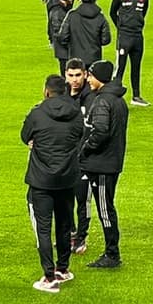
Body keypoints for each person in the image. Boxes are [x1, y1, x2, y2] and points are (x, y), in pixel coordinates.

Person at [22, 74, 86, 293]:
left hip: (41, 180)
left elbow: (25, 136)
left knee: (43, 227)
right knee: (64, 225)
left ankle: (49, 277)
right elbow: (81, 136)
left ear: (46, 90)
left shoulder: (37, 114)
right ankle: (63, 269)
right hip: (67, 178)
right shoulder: (76, 113)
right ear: (66, 90)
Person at [80, 59, 128, 268]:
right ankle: (111, 252)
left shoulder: (102, 101)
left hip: (102, 165)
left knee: (105, 208)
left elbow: (99, 132)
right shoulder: (117, 100)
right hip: (111, 161)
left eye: (90, 75)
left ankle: (112, 254)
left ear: (98, 77)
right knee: (106, 205)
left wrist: (85, 149)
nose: (88, 79)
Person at [109, 0, 150, 107]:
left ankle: (136, 96)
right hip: (124, 36)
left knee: (136, 67)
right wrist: (120, 26)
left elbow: (143, 13)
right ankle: (114, 95)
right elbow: (112, 12)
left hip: (138, 36)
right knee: (120, 67)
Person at [64, 58, 92, 255]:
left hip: (85, 159)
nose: (74, 80)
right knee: (65, 198)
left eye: (78, 75)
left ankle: (81, 236)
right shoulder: (61, 96)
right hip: (65, 158)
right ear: (66, 75)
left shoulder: (91, 98)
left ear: (85, 74)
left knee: (83, 199)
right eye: (71, 75)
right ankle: (70, 232)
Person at [59, 0, 111, 68]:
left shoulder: (72, 15)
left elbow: (63, 36)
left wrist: (72, 45)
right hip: (94, 58)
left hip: (75, 59)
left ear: (81, 0)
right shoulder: (100, 17)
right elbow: (106, 40)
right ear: (95, 0)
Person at [47, 0, 75, 75]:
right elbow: (59, 33)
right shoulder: (57, 12)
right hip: (63, 50)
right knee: (66, 75)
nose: (72, 0)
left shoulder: (60, 8)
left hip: (63, 49)